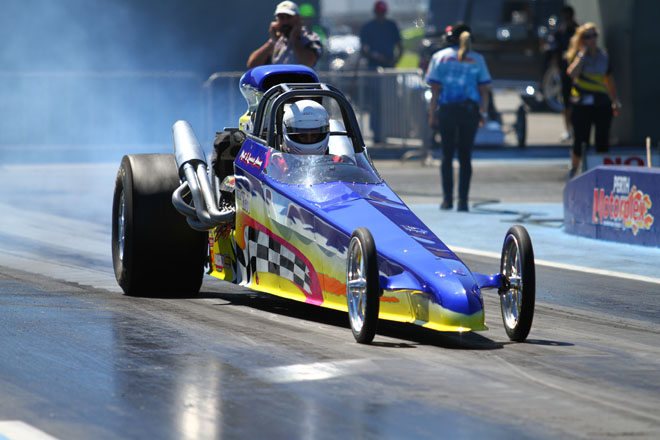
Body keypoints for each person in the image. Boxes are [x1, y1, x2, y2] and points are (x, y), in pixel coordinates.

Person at [425, 22, 491, 212]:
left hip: (447, 110)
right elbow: (484, 89)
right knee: (465, 156)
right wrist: (484, 112)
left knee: (446, 156)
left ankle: (447, 200)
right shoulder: (477, 58)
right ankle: (463, 201)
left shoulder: (439, 57)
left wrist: (432, 114)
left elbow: (435, 90)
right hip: (469, 111)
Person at [565, 22, 621, 178]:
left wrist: (615, 99)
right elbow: (572, 74)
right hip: (582, 103)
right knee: (581, 140)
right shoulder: (575, 55)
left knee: (602, 139)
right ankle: (574, 170)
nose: (592, 39)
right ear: (582, 39)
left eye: (594, 35)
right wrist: (582, 54)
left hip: (601, 102)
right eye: (588, 36)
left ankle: (602, 173)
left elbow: (609, 80)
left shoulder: (604, 56)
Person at [359, 1, 402, 143]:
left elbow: (400, 46)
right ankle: (377, 134)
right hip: (374, 70)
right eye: (379, 13)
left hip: (389, 70)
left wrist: (395, 60)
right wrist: (377, 56)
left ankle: (388, 132)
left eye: (382, 13)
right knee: (376, 103)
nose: (380, 16)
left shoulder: (391, 26)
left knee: (389, 101)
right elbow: (364, 49)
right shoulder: (368, 27)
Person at [247, 1, 323, 69]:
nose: (285, 22)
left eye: (289, 17)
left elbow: (308, 62)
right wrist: (272, 42)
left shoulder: (310, 38)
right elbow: (252, 65)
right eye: (281, 18)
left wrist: (294, 39)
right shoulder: (276, 41)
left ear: (298, 18)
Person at [549, 6, 579, 142]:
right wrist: (557, 70)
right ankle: (567, 129)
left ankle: (577, 128)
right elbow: (555, 53)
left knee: (579, 102)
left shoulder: (579, 31)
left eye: (568, 17)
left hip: (579, 74)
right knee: (566, 102)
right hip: (564, 72)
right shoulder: (559, 33)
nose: (567, 20)